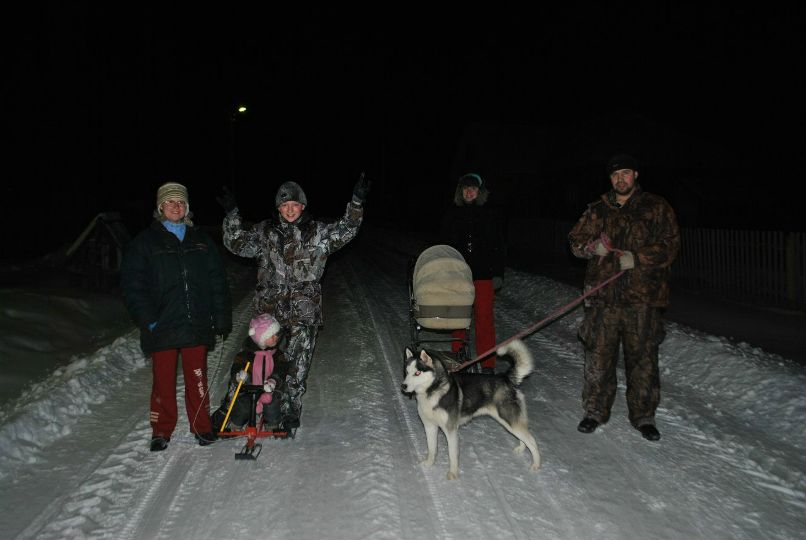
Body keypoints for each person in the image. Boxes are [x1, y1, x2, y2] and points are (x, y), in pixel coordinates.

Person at [217, 174, 370, 428]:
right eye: (285, 205)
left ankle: (288, 409)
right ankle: (240, 407)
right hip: (269, 313)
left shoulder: (318, 233)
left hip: (303, 313)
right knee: (257, 361)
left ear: (303, 206)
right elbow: (235, 243)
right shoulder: (265, 232)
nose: (290, 209)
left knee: (297, 365)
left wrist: (356, 202)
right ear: (278, 207)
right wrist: (232, 214)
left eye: (295, 204)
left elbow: (347, 229)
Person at [567, 154, 680, 441]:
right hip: (603, 299)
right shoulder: (598, 209)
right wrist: (592, 247)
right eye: (616, 174)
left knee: (642, 360)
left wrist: (639, 258)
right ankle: (594, 412)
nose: (621, 179)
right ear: (610, 179)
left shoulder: (656, 207)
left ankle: (644, 417)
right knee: (598, 358)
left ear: (636, 175)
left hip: (642, 300)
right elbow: (574, 242)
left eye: (626, 173)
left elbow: (670, 245)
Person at [121, 181, 232, 452]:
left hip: (196, 322)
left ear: (187, 208)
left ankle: (201, 426)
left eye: (181, 202)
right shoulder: (145, 243)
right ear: (160, 207)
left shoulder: (201, 241)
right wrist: (149, 319)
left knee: (197, 377)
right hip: (162, 324)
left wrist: (221, 316)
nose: (176, 206)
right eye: (170, 202)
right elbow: (133, 286)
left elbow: (217, 281)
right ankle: (161, 430)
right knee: (163, 381)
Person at [439, 173, 505, 373]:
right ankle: (458, 361)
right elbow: (444, 246)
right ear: (460, 191)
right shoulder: (452, 215)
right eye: (465, 188)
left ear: (479, 192)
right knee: (459, 319)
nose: (469, 191)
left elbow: (499, 246)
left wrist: (498, 274)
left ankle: (487, 364)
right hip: (458, 276)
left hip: (483, 275)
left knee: (484, 319)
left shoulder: (489, 215)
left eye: (473, 188)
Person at [211, 313, 288, 432]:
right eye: (271, 335)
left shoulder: (277, 355)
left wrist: (274, 380)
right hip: (249, 390)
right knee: (242, 405)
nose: (276, 338)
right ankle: (236, 422)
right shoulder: (246, 355)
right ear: (261, 338)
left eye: (277, 335)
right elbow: (236, 368)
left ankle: (273, 423)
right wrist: (240, 376)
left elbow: (281, 369)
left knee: (272, 403)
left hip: (269, 389)